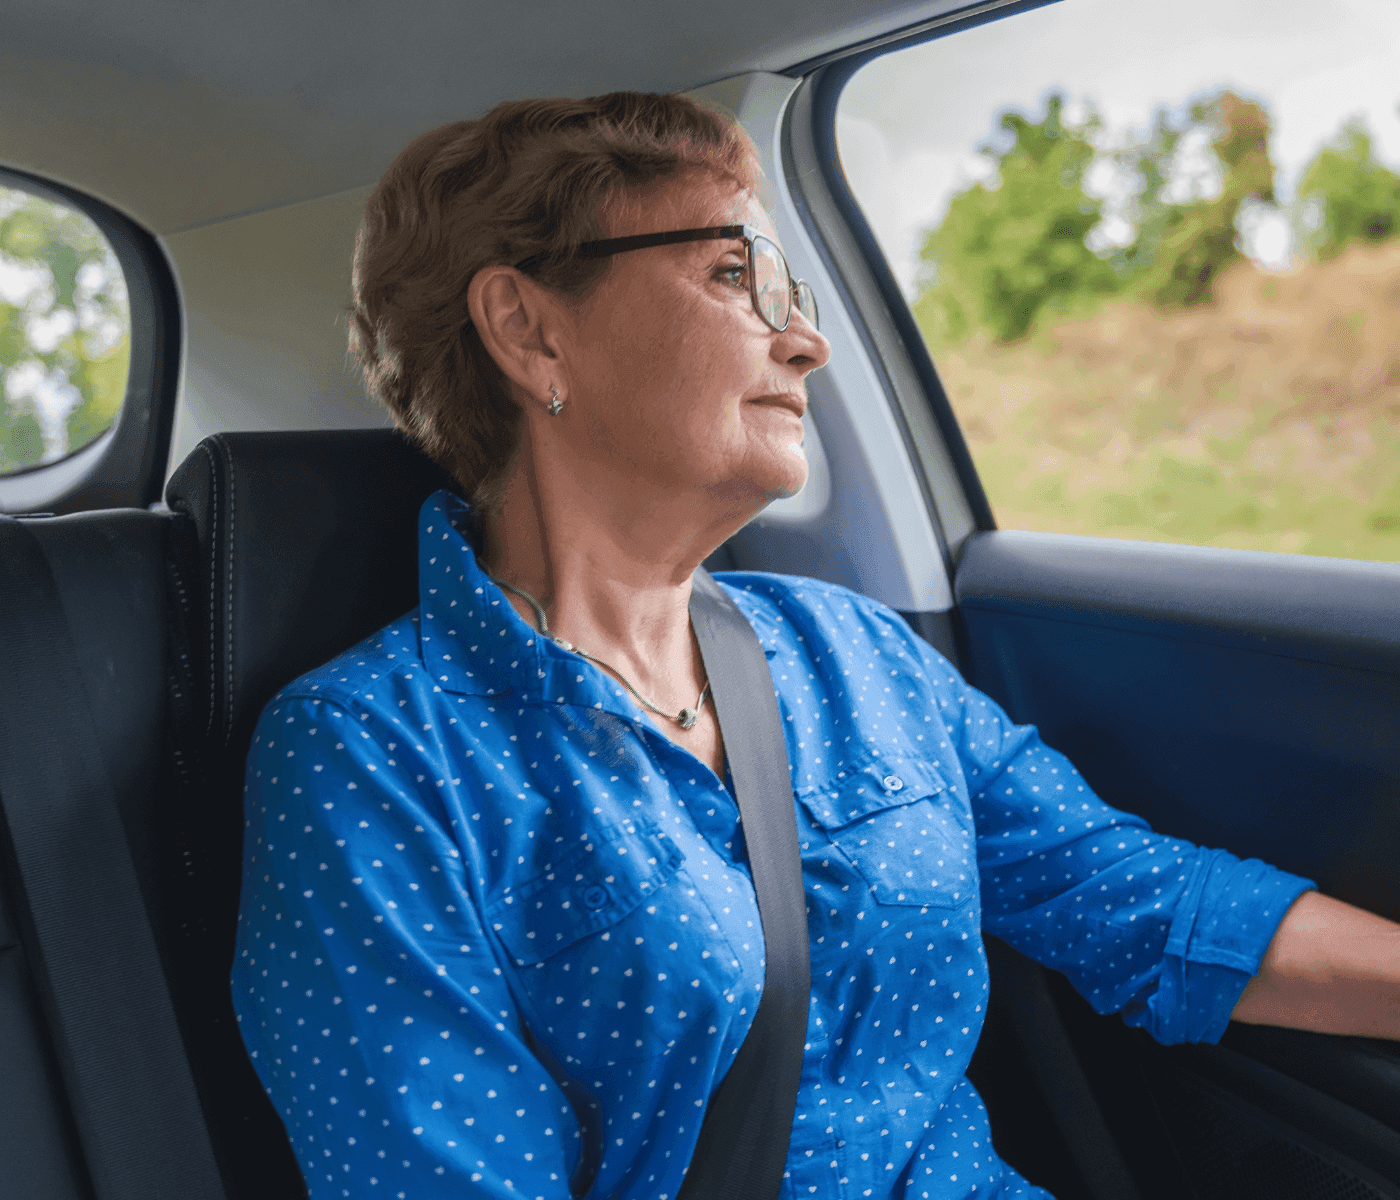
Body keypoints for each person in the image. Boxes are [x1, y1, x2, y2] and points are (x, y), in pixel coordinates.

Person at [231, 93, 1400, 1200]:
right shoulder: (369, 757)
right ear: (529, 328)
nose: (805, 343)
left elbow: (1145, 910)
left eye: (791, 290)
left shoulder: (851, 650)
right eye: (733, 274)